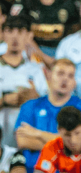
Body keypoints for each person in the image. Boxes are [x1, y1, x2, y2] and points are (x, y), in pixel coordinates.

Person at [0, 16, 48, 148]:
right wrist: (4, 100)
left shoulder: (36, 70)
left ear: (29, 36)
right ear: (3, 34)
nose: (15, 37)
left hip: (26, 140)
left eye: (20, 31)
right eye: (10, 31)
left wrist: (35, 98)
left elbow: (49, 105)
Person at [10, 0, 80, 57]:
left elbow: (77, 32)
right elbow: (12, 29)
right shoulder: (24, 2)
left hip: (64, 53)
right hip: (30, 53)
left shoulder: (70, 3)